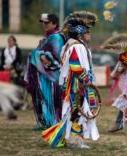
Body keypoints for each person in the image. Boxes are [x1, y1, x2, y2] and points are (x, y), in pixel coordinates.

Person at [42, 11, 99, 149]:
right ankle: (75, 141)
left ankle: (68, 138)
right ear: (80, 34)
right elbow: (75, 66)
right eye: (87, 33)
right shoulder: (77, 46)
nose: (89, 35)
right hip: (77, 84)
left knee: (75, 111)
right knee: (77, 111)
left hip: (75, 83)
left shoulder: (71, 45)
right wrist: (87, 81)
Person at [24, 13, 65, 129]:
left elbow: (56, 57)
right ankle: (45, 121)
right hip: (43, 75)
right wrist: (38, 54)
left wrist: (39, 54)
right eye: (43, 23)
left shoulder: (56, 38)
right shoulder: (47, 38)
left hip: (53, 76)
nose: (44, 25)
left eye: (47, 23)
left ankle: (52, 122)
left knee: (51, 99)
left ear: (54, 24)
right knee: (43, 98)